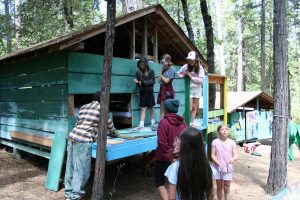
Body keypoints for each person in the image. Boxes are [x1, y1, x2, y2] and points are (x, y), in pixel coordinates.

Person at [64, 92, 117, 200]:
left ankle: (68, 193)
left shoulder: (84, 106)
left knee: (70, 167)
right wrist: (114, 132)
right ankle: (75, 197)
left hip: (72, 137)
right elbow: (110, 125)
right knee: (81, 170)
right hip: (83, 141)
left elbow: (79, 123)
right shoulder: (102, 109)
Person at [164, 127, 214, 200]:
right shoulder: (207, 166)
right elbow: (211, 194)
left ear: (184, 145)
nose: (176, 142)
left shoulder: (175, 167)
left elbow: (171, 198)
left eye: (179, 140)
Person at [155, 99, 187, 200]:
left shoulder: (163, 122)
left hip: (163, 158)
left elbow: (162, 143)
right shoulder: (183, 123)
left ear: (166, 109)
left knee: (159, 182)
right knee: (174, 181)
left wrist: (170, 158)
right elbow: (186, 142)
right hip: (179, 158)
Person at [177, 51, 205, 127]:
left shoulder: (200, 68)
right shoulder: (185, 67)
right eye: (189, 59)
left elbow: (201, 81)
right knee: (189, 108)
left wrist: (191, 77)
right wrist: (183, 75)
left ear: (196, 59)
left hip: (198, 90)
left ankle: (191, 122)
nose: (190, 61)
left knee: (195, 108)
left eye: (192, 59)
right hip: (189, 90)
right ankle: (182, 122)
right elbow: (178, 73)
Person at [211, 125, 238, 200]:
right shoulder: (215, 142)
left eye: (226, 129)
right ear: (219, 131)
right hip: (217, 168)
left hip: (228, 167)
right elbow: (212, 155)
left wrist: (233, 159)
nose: (224, 130)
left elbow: (236, 155)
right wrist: (219, 164)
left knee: (227, 187)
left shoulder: (232, 142)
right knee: (219, 187)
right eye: (222, 129)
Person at [133, 56, 157, 130]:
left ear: (146, 64)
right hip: (142, 92)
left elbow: (153, 81)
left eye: (143, 64)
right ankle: (141, 125)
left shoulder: (151, 71)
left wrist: (142, 82)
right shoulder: (138, 72)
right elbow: (139, 84)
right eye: (140, 64)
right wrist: (137, 82)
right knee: (143, 109)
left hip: (149, 92)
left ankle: (153, 123)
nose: (142, 66)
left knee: (151, 108)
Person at [157, 54, 176, 120]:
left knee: (168, 109)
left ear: (168, 61)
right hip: (162, 90)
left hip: (168, 91)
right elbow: (158, 81)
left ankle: (168, 124)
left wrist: (161, 75)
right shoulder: (163, 69)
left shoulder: (172, 69)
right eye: (162, 63)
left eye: (163, 62)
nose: (163, 64)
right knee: (162, 109)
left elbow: (167, 81)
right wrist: (161, 73)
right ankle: (161, 124)